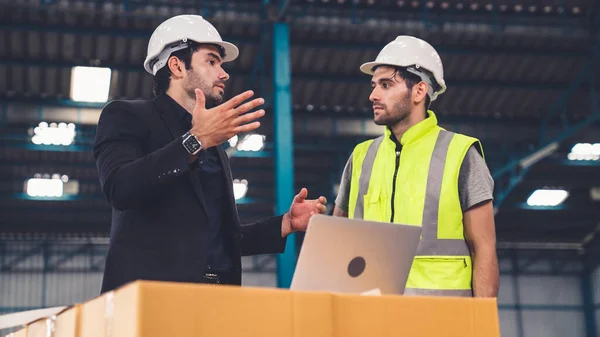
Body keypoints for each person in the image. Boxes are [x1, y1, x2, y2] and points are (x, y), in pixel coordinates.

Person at [94, 14, 327, 293]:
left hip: (216, 298)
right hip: (151, 300)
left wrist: (286, 223)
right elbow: (120, 188)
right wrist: (196, 140)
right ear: (177, 66)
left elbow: (224, 239)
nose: (224, 73)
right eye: (211, 61)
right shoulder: (127, 116)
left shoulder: (214, 146)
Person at [333, 36, 498, 298]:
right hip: (373, 317)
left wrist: (483, 323)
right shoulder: (361, 156)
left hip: (442, 319)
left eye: (386, 85)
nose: (373, 95)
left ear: (419, 91)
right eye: (374, 85)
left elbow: (484, 248)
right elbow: (338, 240)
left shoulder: (461, 154)